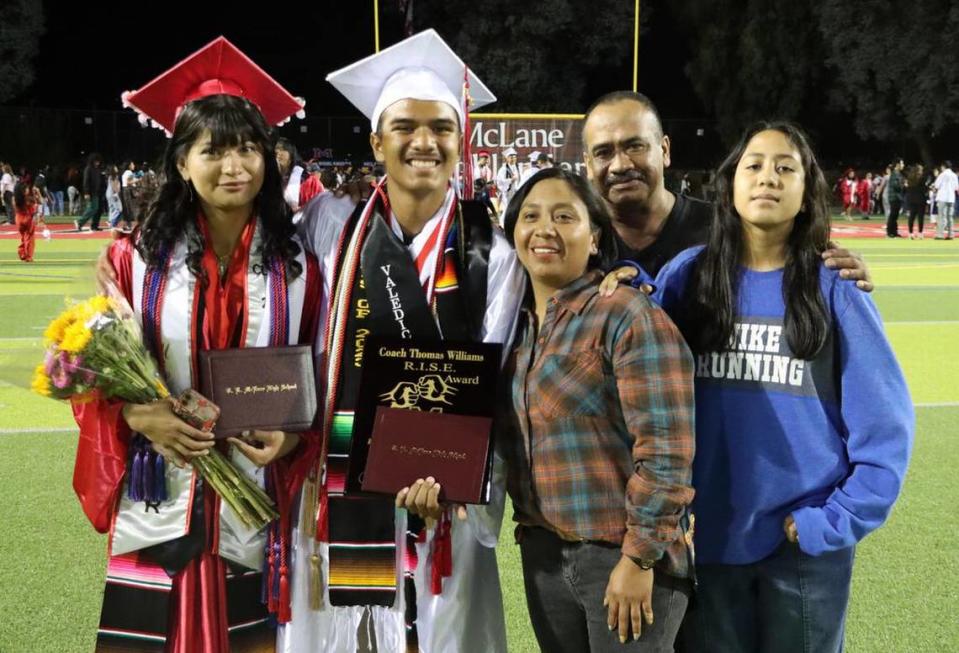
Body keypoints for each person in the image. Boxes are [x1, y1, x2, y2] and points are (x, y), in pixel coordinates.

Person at [622, 122, 913, 653]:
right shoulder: (688, 277)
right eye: (753, 165)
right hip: (706, 539)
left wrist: (834, 521)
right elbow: (637, 372)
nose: (768, 178)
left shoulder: (835, 288)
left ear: (806, 194)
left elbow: (886, 425)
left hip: (802, 547)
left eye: (786, 167)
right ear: (730, 186)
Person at [282, 29, 523, 653]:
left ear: (460, 139)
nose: (425, 142)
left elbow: (488, 372)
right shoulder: (330, 223)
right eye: (405, 127)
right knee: (342, 622)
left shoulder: (489, 251)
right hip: (339, 467)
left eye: (442, 127)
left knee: (439, 625)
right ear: (376, 140)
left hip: (440, 491)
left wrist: (446, 470)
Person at [83, 36, 319, 652]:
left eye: (248, 148)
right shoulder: (132, 263)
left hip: (255, 495)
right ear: (182, 162)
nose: (234, 165)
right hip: (161, 491)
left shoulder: (299, 270)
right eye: (213, 150)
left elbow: (324, 375)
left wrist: (293, 436)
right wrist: (136, 412)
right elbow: (93, 377)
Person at [499, 167, 695, 652]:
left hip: (620, 557)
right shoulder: (510, 326)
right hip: (543, 551)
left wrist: (639, 558)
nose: (544, 229)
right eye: (531, 216)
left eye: (564, 216)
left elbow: (667, 448)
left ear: (594, 238)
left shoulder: (625, 313)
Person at [581, 91, 873, 286]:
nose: (620, 164)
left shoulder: (726, 227)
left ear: (665, 150)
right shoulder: (572, 238)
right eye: (603, 152)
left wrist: (836, 273)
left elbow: (789, 267)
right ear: (588, 164)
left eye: (635, 146)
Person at [14, 177, 45, 262]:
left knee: (23, 236)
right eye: (26, 188)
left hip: (18, 219)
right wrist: (38, 194)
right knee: (30, 237)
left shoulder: (15, 199)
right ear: (23, 190)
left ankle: (22, 253)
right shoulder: (28, 199)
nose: (28, 189)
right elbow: (40, 203)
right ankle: (28, 256)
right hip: (28, 218)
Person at [77, 152, 105, 231]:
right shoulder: (88, 168)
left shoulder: (98, 169)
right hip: (91, 192)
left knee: (98, 209)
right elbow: (86, 181)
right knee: (93, 208)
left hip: (98, 192)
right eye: (96, 160)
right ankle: (80, 222)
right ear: (92, 160)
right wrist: (86, 192)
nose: (98, 162)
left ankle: (94, 226)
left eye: (98, 161)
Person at [933, 160, 958, 240]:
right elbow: (956, 187)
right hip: (951, 198)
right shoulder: (954, 175)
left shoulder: (942, 175)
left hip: (942, 197)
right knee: (950, 217)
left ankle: (940, 235)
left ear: (943, 166)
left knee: (941, 216)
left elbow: (936, 185)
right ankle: (951, 235)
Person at [904, 163, 928, 239]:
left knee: (912, 217)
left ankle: (910, 233)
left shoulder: (910, 178)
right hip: (921, 199)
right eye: (921, 170)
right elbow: (924, 189)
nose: (922, 171)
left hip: (911, 199)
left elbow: (907, 189)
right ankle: (920, 233)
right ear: (919, 170)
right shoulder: (923, 178)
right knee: (920, 217)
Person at [495, 146, 520, 217]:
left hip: (515, 191)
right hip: (507, 192)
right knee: (508, 208)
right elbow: (501, 181)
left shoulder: (516, 167)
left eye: (515, 157)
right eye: (511, 157)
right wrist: (511, 179)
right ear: (507, 158)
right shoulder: (503, 169)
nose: (513, 159)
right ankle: (503, 223)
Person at [885, 158, 905, 237]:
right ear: (897, 165)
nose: (903, 165)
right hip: (894, 197)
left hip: (897, 197)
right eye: (902, 163)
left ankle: (894, 231)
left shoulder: (898, 173)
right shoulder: (895, 173)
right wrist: (903, 184)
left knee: (895, 215)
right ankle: (890, 232)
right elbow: (896, 186)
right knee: (893, 215)